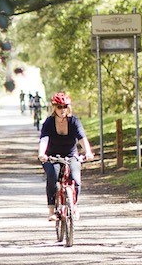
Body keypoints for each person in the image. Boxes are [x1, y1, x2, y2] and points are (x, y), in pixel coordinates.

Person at [36, 92, 97, 222]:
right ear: (54, 108)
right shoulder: (49, 122)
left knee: (76, 179)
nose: (62, 109)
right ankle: (52, 210)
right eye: (59, 107)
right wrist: (42, 153)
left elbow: (82, 138)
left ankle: (74, 206)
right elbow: (44, 139)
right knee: (53, 174)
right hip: (51, 156)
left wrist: (88, 152)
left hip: (70, 155)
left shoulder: (74, 121)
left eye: (65, 106)